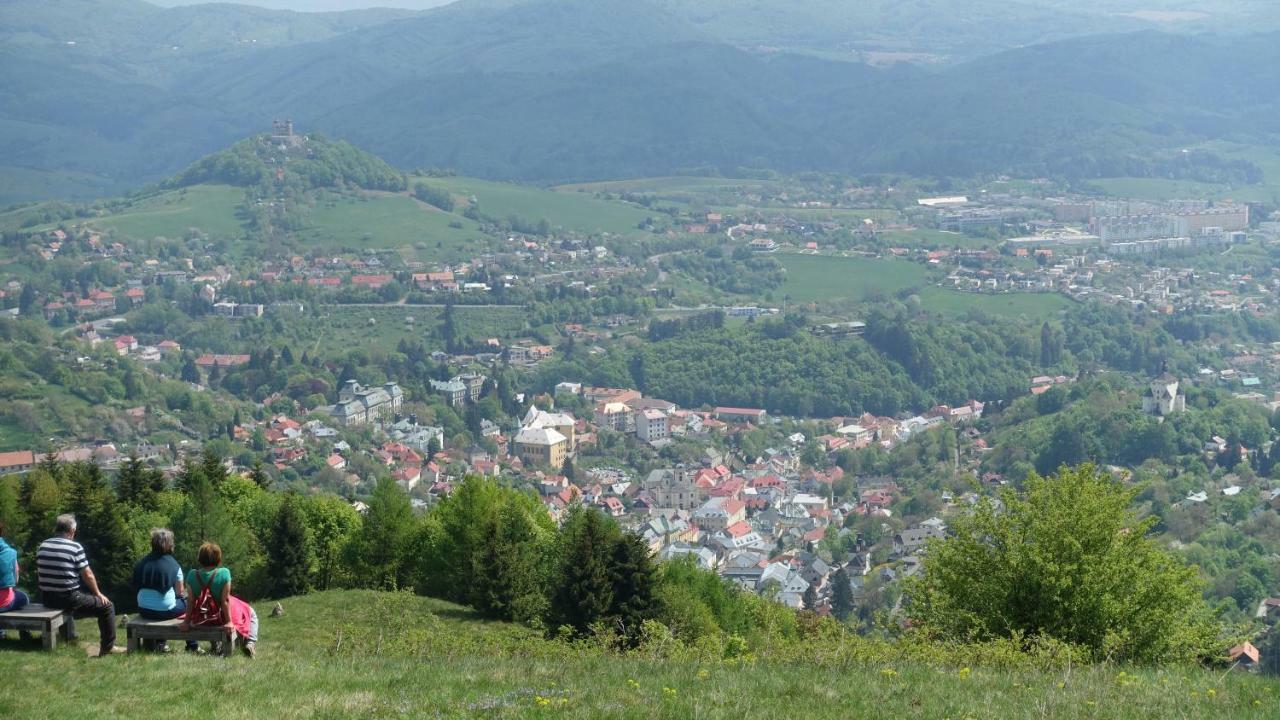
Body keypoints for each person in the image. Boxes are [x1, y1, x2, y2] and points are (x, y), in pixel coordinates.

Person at [36, 514, 122, 657]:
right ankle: (108, 647)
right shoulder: (75, 547)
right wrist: (98, 594)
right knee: (107, 607)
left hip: (47, 597)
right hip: (67, 597)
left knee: (72, 596)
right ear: (71, 531)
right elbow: (87, 574)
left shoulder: (43, 545)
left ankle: (69, 638)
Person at [180, 542, 257, 658]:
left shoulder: (192, 575)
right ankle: (250, 643)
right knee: (251, 613)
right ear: (218, 558)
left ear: (200, 558)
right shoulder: (224, 573)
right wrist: (229, 622)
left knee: (209, 613)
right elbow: (225, 600)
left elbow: (190, 601)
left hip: (203, 618)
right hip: (220, 618)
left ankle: (217, 646)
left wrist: (186, 622)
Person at [132, 528, 197, 652]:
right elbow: (179, 592)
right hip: (165, 611)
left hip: (143, 609)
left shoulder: (141, 563)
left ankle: (160, 643)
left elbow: (136, 586)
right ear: (168, 545)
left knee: (164, 601)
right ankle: (192, 645)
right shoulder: (174, 565)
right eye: (171, 542)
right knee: (189, 603)